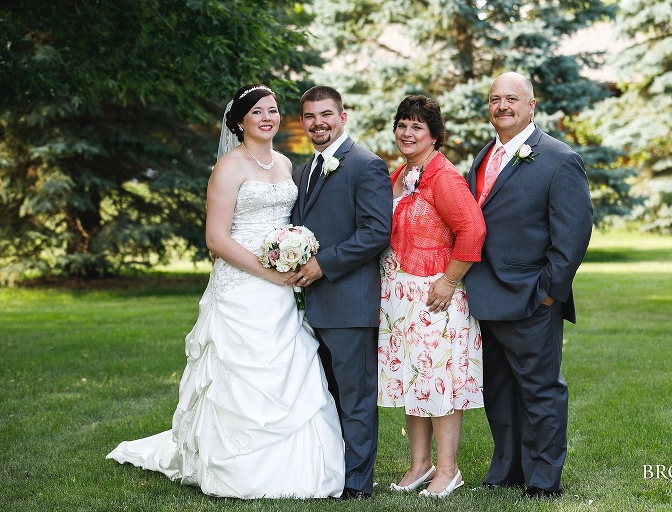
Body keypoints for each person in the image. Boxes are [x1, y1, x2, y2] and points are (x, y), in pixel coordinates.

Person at [106, 84, 345, 499]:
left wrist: (292, 254)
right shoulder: (229, 167)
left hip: (281, 286)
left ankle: (303, 467)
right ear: (239, 121)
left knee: (291, 367)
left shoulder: (287, 165)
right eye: (257, 112)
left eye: (272, 110)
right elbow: (216, 240)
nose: (268, 118)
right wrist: (267, 272)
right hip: (242, 285)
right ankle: (234, 466)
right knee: (238, 373)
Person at [464, 72, 593, 498]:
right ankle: (508, 468)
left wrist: (549, 292)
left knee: (540, 391)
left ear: (531, 105)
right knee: (499, 390)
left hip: (532, 298)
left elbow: (572, 234)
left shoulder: (558, 159)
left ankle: (543, 478)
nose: (502, 106)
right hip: (486, 296)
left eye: (512, 99)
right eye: (495, 99)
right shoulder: (483, 158)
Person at [377, 95, 486, 498]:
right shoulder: (401, 174)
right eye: (402, 124)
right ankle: (420, 465)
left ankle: (448, 469)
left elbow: (473, 231)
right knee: (413, 381)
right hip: (401, 297)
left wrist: (449, 281)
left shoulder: (444, 177)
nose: (407, 133)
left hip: (435, 299)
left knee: (439, 383)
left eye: (416, 127)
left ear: (434, 135)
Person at [287, 85, 393, 500]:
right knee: (323, 397)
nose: (319, 123)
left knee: (355, 398)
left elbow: (375, 232)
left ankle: (357, 484)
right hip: (309, 306)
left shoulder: (366, 165)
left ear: (343, 116)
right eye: (310, 117)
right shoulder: (302, 171)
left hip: (349, 303)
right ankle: (329, 473)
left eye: (326, 114)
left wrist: (322, 264)